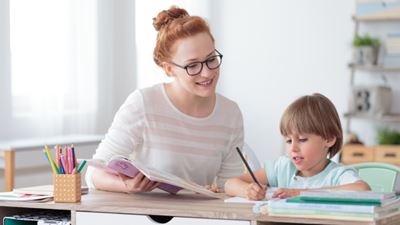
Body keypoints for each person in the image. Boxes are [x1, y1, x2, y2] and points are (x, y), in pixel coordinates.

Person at [85, 6, 244, 193]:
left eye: (211, 59)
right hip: (148, 218)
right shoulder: (144, 104)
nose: (207, 72)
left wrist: (224, 190)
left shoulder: (230, 113)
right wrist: (127, 186)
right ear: (169, 69)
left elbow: (229, 185)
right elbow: (94, 174)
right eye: (192, 65)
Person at [225, 93, 370, 200]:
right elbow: (229, 183)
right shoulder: (282, 168)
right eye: (288, 141)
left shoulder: (337, 175)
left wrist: (300, 192)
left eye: (302, 139)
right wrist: (247, 190)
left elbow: (363, 190)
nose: (293, 148)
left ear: (329, 139)